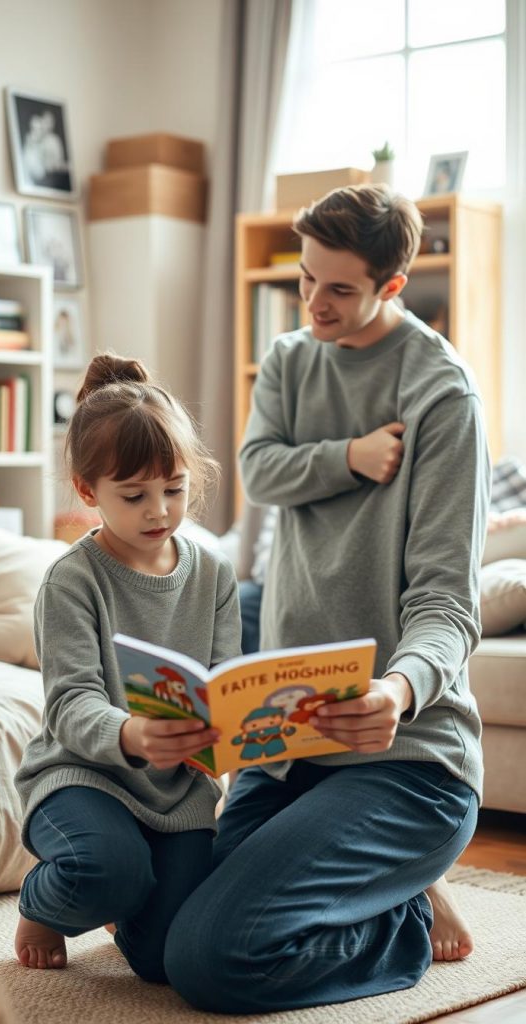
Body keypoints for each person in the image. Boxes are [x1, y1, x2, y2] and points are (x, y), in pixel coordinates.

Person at [163, 184, 490, 1013]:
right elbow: (258, 470)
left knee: (213, 962)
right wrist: (347, 456)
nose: (313, 302)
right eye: (305, 279)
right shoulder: (288, 359)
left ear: (391, 285)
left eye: (338, 288)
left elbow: (448, 603)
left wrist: (397, 689)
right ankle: (390, 889)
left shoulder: (441, 395)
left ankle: (401, 916)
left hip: (404, 759)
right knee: (157, 935)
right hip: (286, 743)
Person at [14, 353, 241, 978]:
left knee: (164, 960)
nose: (159, 511)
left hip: (181, 792)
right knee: (104, 872)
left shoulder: (215, 573)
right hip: (83, 776)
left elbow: (225, 680)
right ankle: (45, 901)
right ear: (89, 492)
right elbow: (70, 703)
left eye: (174, 490)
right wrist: (133, 733)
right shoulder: (71, 581)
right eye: (135, 495)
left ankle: (121, 895)